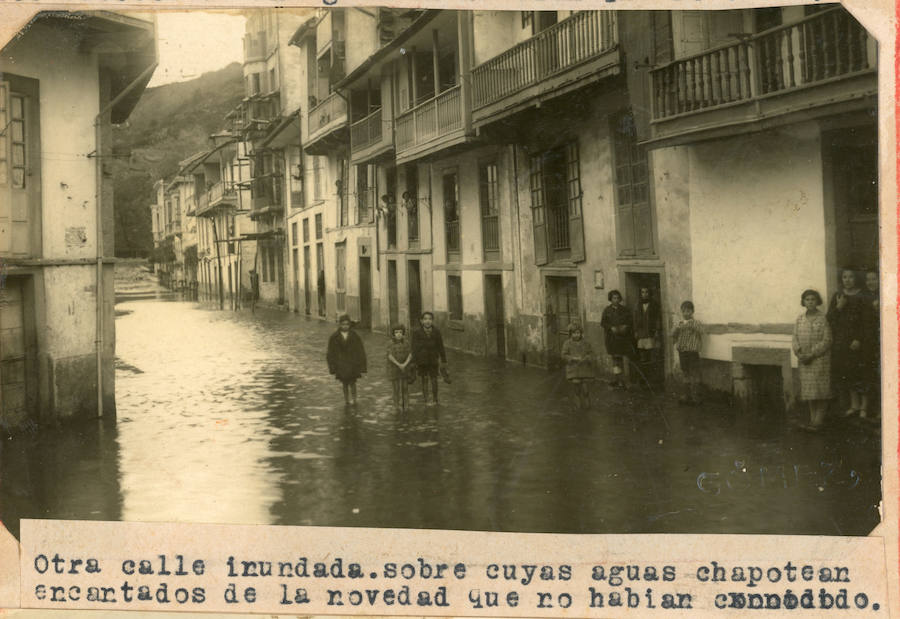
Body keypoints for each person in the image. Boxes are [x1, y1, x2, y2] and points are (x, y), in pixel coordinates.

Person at [827, 268, 868, 418]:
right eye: (845, 277)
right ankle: (854, 405)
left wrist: (859, 339)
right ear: (841, 279)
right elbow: (829, 319)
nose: (848, 280)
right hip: (842, 342)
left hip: (858, 342)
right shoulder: (838, 296)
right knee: (848, 374)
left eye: (851, 277)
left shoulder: (862, 296)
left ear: (855, 278)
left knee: (861, 373)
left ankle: (864, 407)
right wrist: (839, 306)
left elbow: (866, 322)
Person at [792, 289, 832, 431]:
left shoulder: (823, 318)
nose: (810, 302)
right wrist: (799, 353)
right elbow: (794, 338)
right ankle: (812, 420)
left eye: (813, 299)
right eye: (807, 299)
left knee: (820, 391)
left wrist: (812, 354)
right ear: (803, 302)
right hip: (804, 361)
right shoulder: (799, 319)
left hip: (819, 360)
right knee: (809, 391)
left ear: (818, 301)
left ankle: (818, 421)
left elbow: (827, 340)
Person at [326, 314, 367, 406]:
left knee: (353, 382)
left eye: (347, 324)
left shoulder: (354, 336)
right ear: (340, 325)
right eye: (343, 324)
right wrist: (332, 367)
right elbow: (330, 353)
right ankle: (346, 400)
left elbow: (360, 351)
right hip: (341, 364)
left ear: (349, 325)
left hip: (352, 363)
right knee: (344, 383)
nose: (345, 326)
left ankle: (354, 399)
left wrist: (361, 365)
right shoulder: (334, 337)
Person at [412, 311, 447, 406]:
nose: (427, 321)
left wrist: (444, 360)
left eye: (430, 319)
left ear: (432, 321)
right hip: (422, 360)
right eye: (425, 319)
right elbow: (414, 348)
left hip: (433, 359)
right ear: (421, 321)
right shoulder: (416, 333)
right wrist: (414, 362)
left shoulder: (436, 332)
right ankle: (426, 399)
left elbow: (441, 346)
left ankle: (435, 399)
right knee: (424, 379)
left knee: (434, 378)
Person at [600, 290, 633, 389]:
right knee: (615, 359)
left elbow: (630, 321)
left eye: (618, 298)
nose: (616, 300)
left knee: (622, 358)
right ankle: (617, 379)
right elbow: (603, 323)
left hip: (622, 338)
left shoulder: (624, 310)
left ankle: (623, 380)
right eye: (614, 298)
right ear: (610, 299)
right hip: (612, 339)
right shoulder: (607, 310)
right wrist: (610, 327)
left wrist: (625, 326)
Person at [672, 300, 703, 405]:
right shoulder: (679, 323)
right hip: (683, 352)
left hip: (692, 352)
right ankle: (686, 395)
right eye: (684, 311)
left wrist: (692, 326)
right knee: (685, 373)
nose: (686, 313)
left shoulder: (696, 323)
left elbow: (702, 331)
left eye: (688, 311)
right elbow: (673, 335)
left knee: (694, 372)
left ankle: (696, 396)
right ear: (682, 312)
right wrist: (677, 329)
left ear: (692, 312)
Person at [561, 322, 595, 410]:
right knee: (576, 383)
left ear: (581, 333)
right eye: (574, 333)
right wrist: (572, 358)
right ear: (570, 334)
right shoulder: (567, 343)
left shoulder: (586, 343)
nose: (577, 335)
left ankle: (586, 397)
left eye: (578, 333)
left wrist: (587, 357)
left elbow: (591, 353)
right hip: (573, 368)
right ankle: (577, 398)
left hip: (584, 367)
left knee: (585, 386)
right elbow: (564, 355)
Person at [632, 286, 662, 386]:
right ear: (640, 294)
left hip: (650, 333)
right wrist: (636, 331)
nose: (644, 294)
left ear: (650, 293)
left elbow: (657, 318)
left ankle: (652, 379)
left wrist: (657, 330)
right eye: (642, 292)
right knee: (642, 356)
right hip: (641, 334)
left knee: (652, 355)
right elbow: (635, 319)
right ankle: (643, 379)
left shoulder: (654, 305)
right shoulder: (637, 305)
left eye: (646, 292)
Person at [863, 269, 880, 423]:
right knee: (871, 376)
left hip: (882, 341)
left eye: (874, 279)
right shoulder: (865, 297)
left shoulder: (886, 294)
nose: (870, 282)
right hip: (868, 342)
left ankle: (882, 413)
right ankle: (873, 411)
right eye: (868, 279)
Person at [386, 324, 413, 413]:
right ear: (393, 334)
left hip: (405, 368)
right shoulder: (390, 343)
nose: (398, 334)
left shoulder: (406, 343)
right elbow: (390, 356)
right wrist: (399, 365)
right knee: (396, 388)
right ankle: (396, 406)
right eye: (396, 332)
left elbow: (410, 354)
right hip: (394, 368)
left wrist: (404, 364)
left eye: (400, 332)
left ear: (403, 333)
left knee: (405, 388)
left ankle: (406, 406)